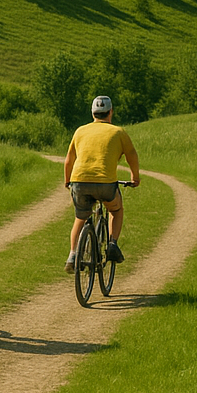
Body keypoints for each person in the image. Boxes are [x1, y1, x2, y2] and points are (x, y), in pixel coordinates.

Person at [63, 95, 141, 274]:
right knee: (115, 209)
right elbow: (132, 155)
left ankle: (73, 254)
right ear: (111, 112)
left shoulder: (80, 131)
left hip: (79, 182)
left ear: (93, 113)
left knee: (80, 217)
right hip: (106, 184)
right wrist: (135, 177)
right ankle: (112, 244)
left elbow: (69, 160)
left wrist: (67, 181)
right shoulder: (118, 132)